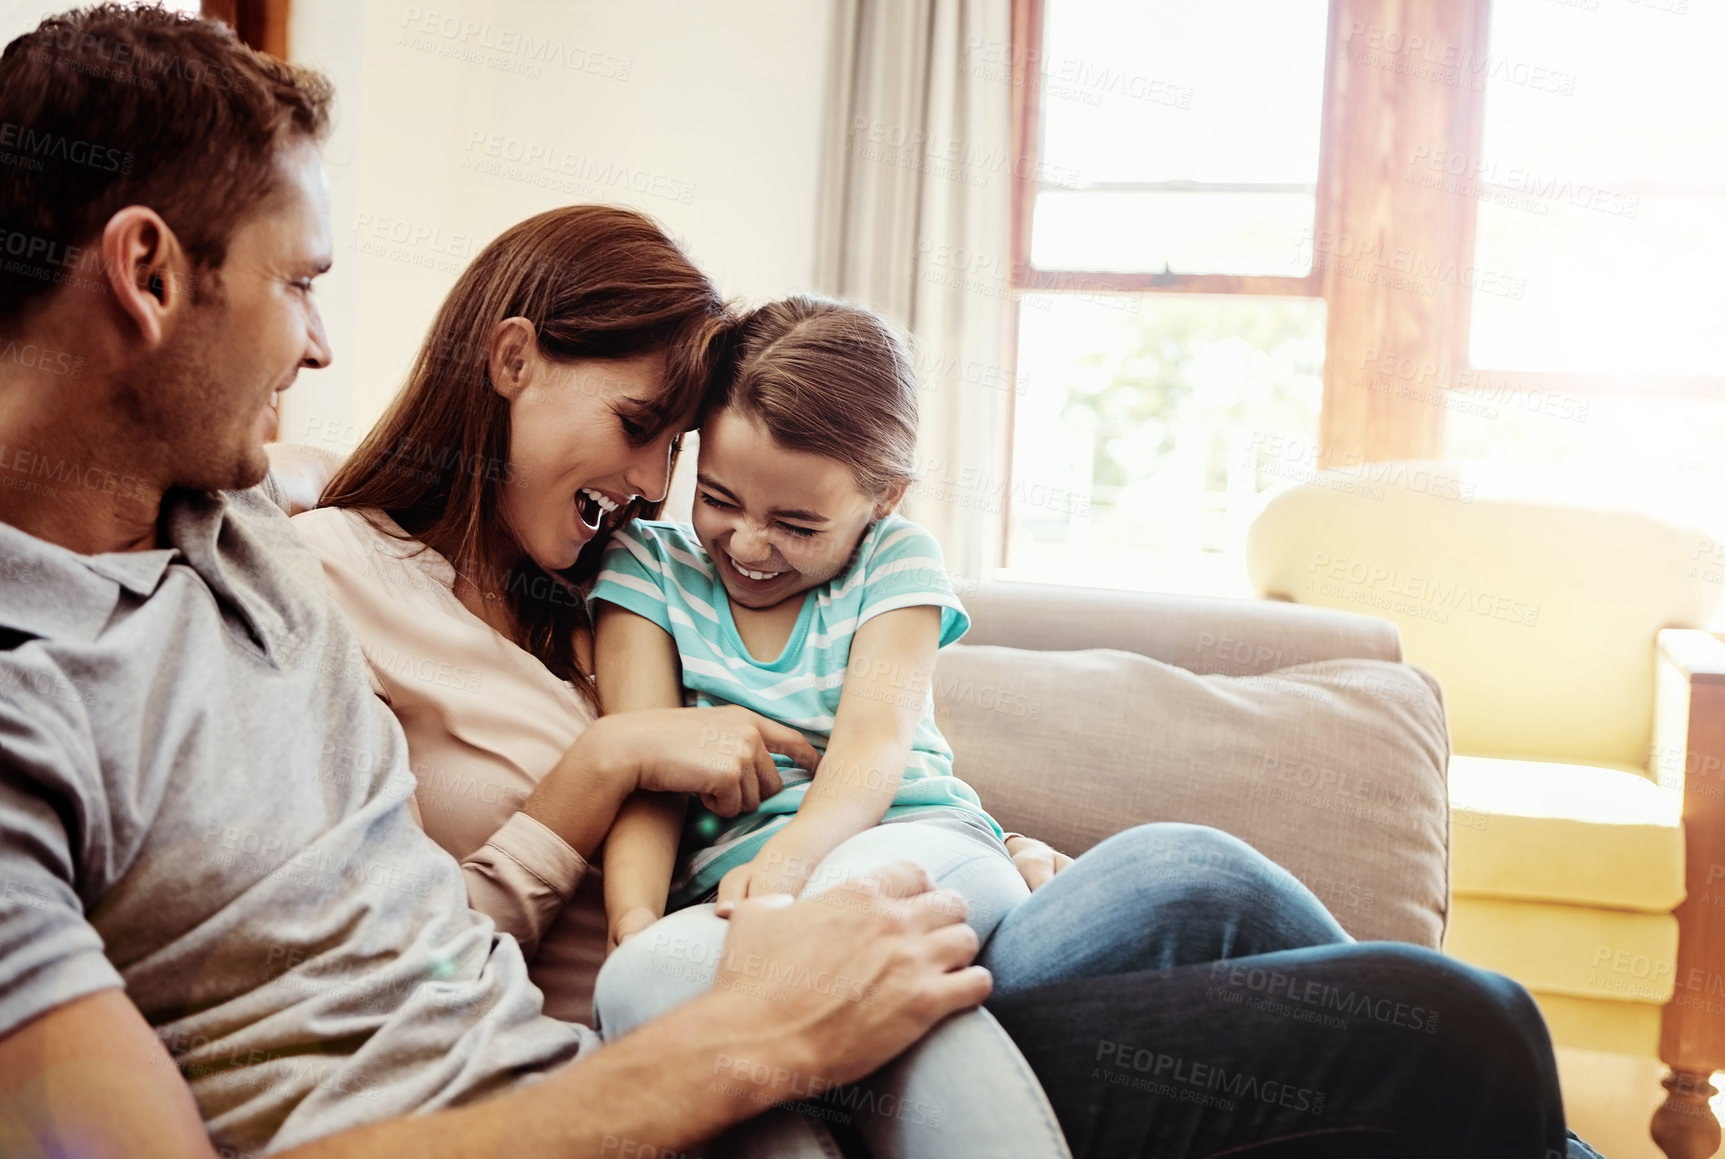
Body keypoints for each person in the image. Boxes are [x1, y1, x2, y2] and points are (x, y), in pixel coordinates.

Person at [0, 6, 1595, 1158]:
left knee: (1443, 1022)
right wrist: (737, 1027)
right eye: (298, 285)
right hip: (705, 1042)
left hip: (762, 1006)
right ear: (147, 273)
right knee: (1459, 1041)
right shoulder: (161, 628)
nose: (326, 341)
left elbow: (444, 930)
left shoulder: (235, 542)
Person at [588, 295, 1058, 1157]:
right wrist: (634, 917)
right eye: (720, 498)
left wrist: (787, 866)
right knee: (638, 984)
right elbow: (647, 772)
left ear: (883, 497)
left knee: (865, 942)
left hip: (904, 838)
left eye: (798, 524)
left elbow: (874, 743)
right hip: (739, 907)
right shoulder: (648, 570)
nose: (750, 544)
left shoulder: (896, 558)